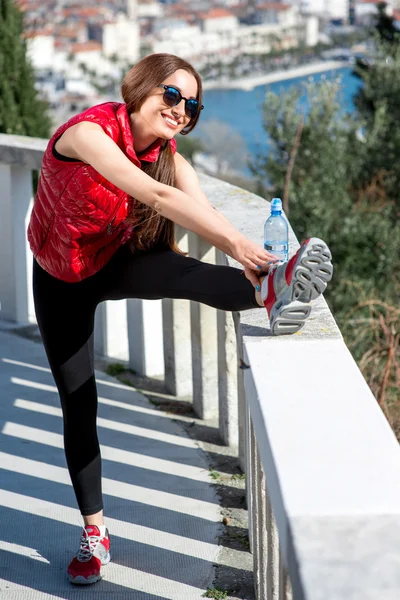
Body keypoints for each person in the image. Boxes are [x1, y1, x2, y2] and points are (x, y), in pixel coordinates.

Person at [27, 52, 333, 585]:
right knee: (79, 403)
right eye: (171, 95)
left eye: (192, 104)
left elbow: (201, 209)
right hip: (59, 279)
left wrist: (254, 260)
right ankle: (94, 532)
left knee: (185, 273)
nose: (181, 110)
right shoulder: (87, 134)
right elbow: (155, 195)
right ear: (140, 88)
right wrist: (239, 244)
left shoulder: (169, 156)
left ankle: (273, 289)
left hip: (114, 263)